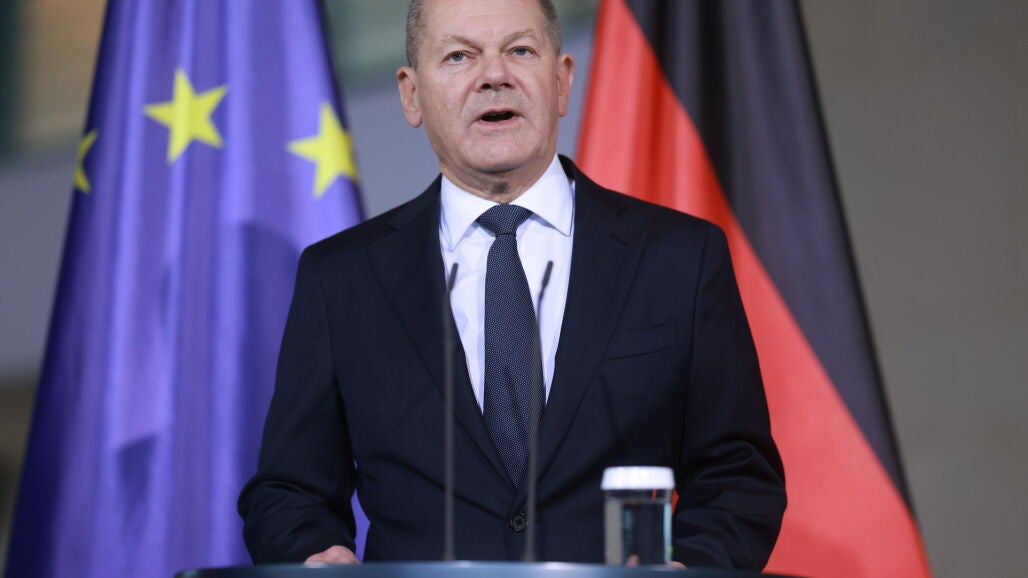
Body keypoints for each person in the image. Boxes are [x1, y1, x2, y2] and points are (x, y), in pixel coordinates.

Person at [238, 0, 786, 568]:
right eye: (459, 56)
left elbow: (736, 474)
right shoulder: (341, 279)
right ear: (412, 94)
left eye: (520, 50)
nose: (494, 75)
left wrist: (690, 569)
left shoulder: (679, 257)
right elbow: (288, 491)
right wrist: (315, 556)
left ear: (561, 80)